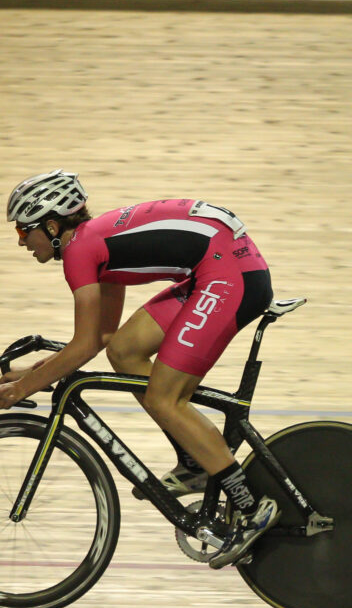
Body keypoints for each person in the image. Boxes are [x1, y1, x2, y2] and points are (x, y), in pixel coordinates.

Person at [0, 169, 279, 569]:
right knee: (127, 352)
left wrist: (19, 390)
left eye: (25, 233)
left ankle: (251, 507)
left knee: (165, 398)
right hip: (219, 268)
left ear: (51, 224)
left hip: (228, 275)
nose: (22, 242)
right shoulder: (94, 246)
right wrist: (29, 373)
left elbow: (81, 346)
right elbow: (101, 338)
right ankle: (195, 459)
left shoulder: (79, 252)